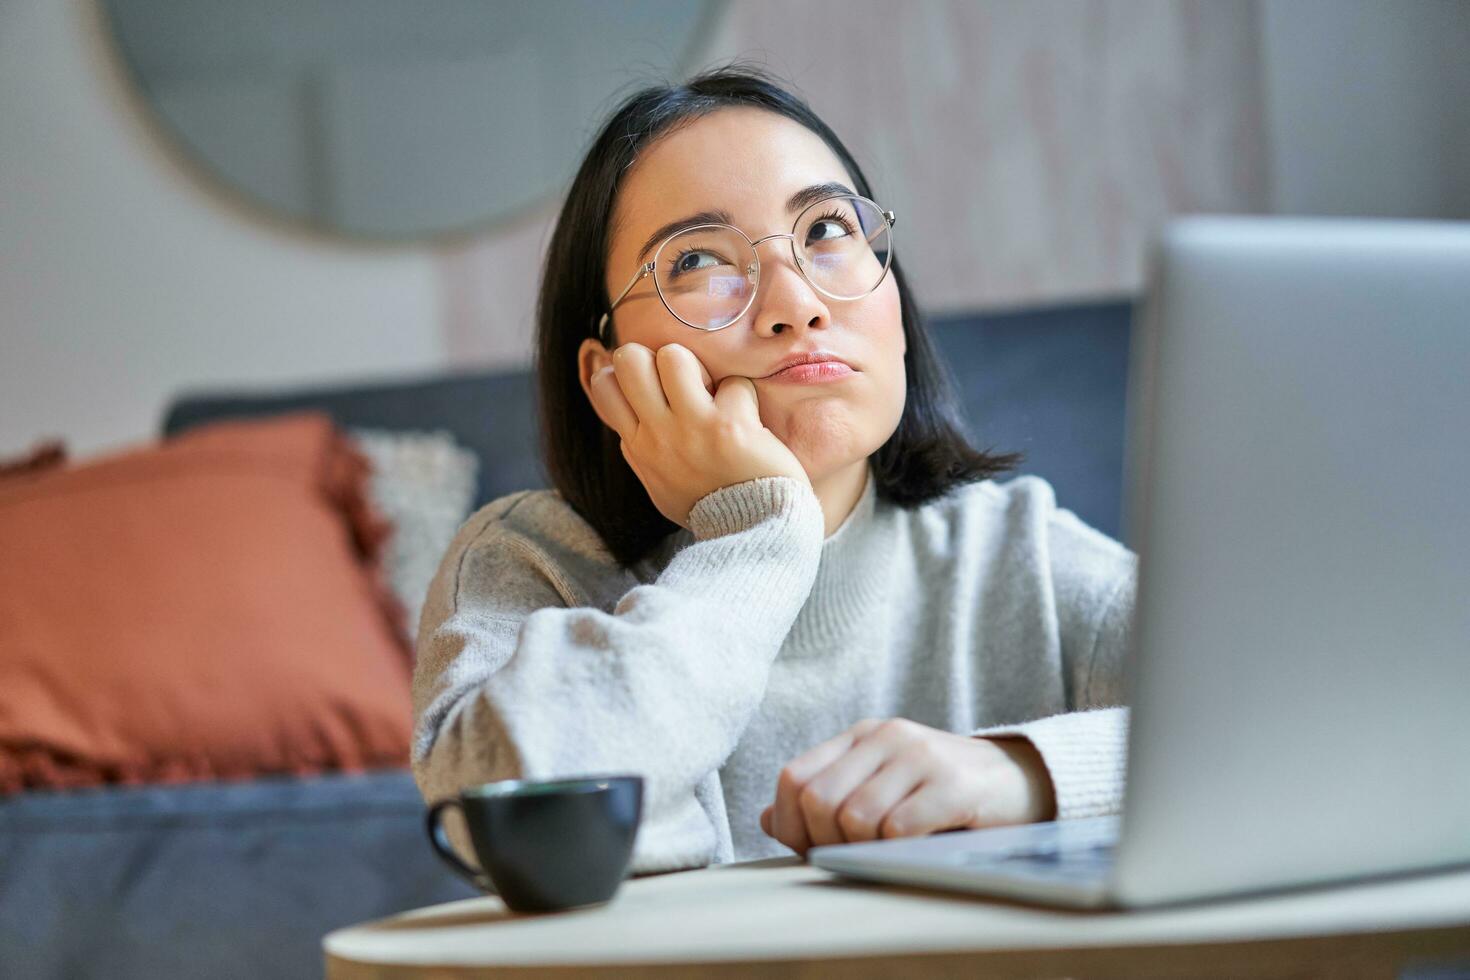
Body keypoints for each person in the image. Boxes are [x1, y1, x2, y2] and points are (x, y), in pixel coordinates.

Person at [411, 64, 1137, 875]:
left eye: (827, 231)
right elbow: (516, 828)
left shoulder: (1017, 554)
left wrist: (1025, 772)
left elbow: (1287, 714)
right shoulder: (527, 564)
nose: (796, 302)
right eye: (696, 262)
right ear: (607, 374)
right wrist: (757, 530)